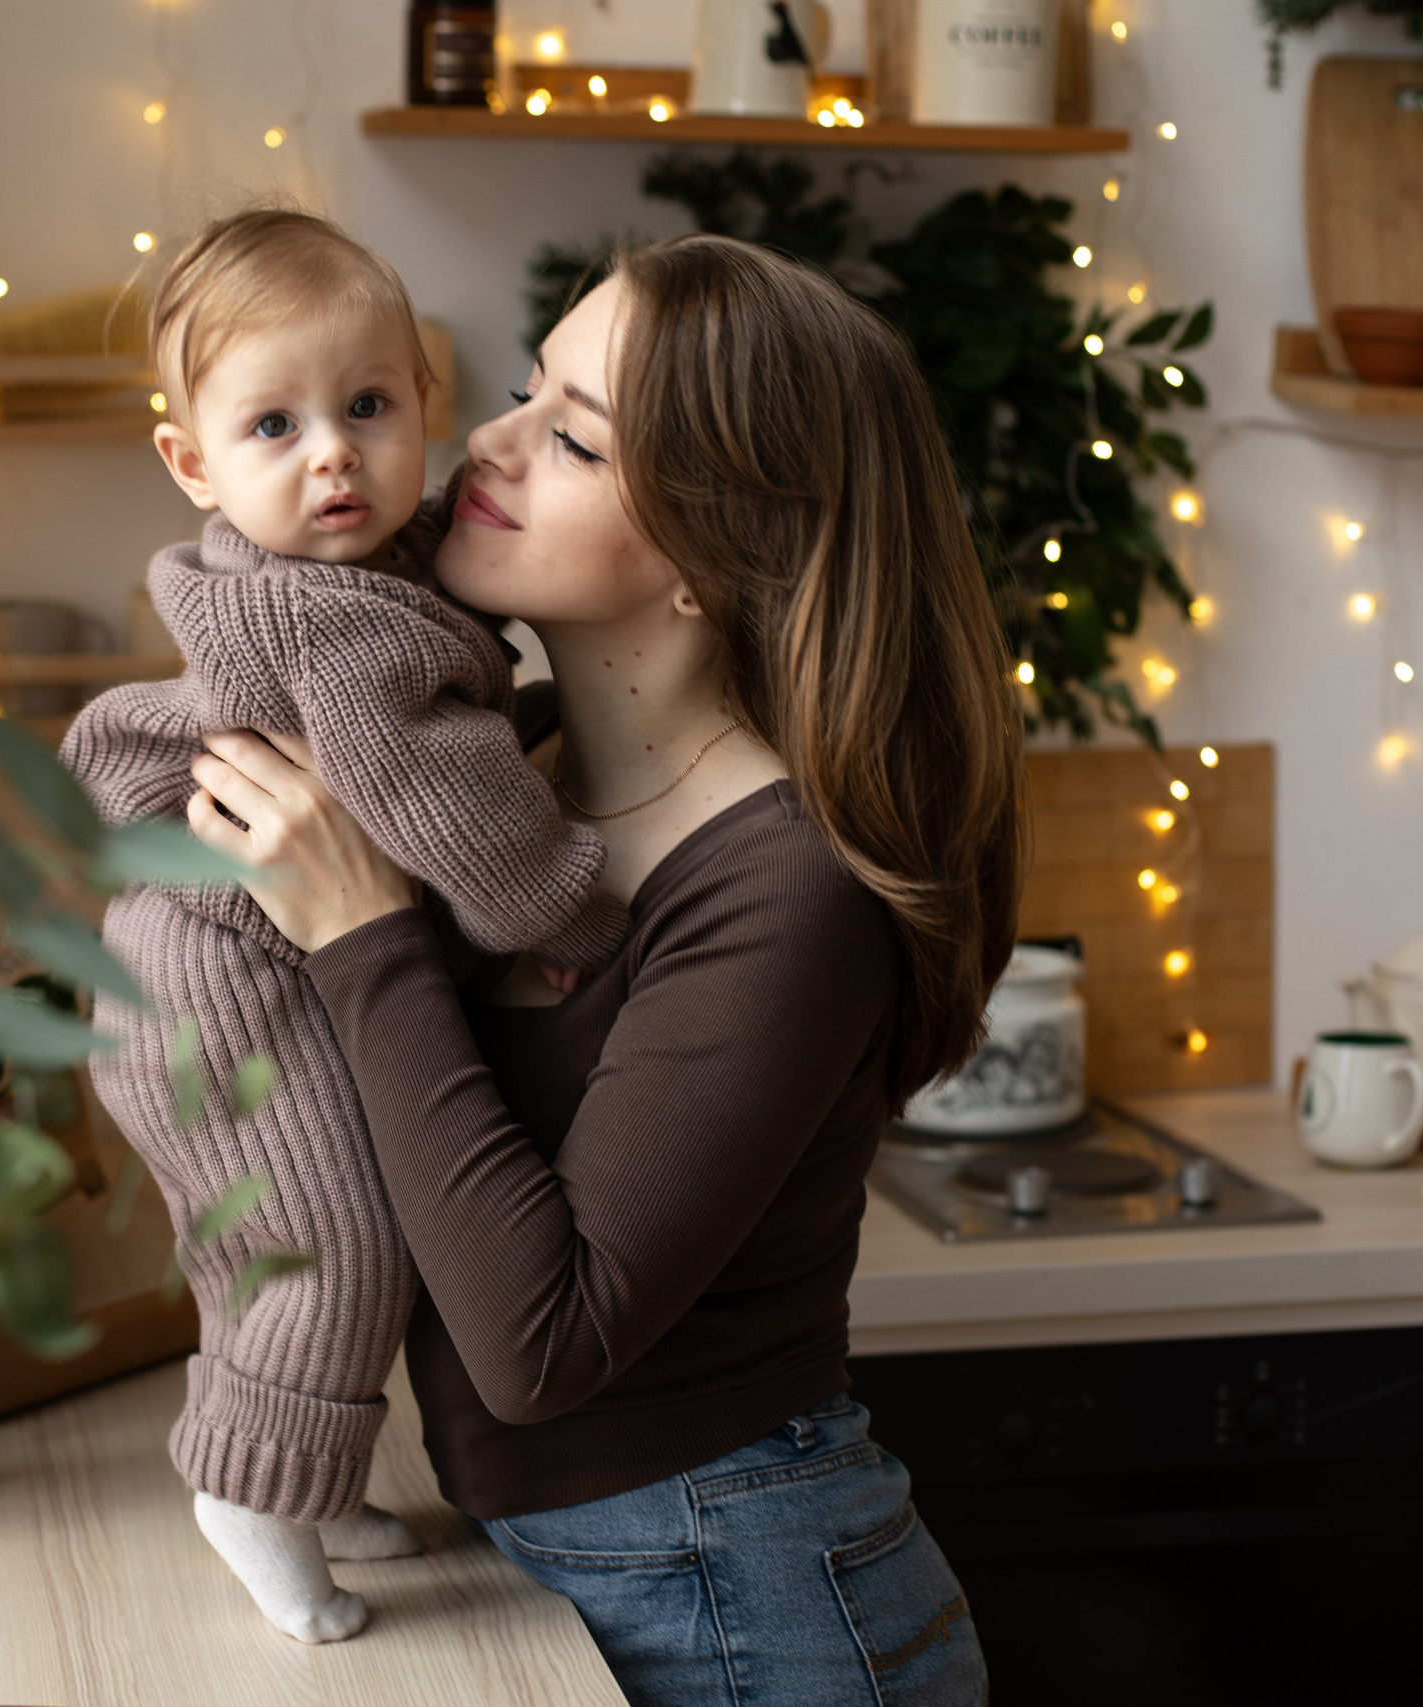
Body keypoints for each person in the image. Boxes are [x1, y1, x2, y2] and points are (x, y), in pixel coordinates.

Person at [178, 234, 1024, 1706]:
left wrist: (365, 935)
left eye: (571, 436)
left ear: (718, 558)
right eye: (525, 391)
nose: (486, 443)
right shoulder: (508, 788)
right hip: (569, 1573)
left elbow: (542, 1343)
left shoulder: (788, 889)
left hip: (753, 1602)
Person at [59, 210, 626, 1646]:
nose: (332, 454)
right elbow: (463, 829)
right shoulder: (346, 636)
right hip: (219, 975)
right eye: (274, 425)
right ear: (192, 463)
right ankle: (250, 1494)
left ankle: (304, 1479)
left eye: (367, 407)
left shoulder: (357, 577)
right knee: (336, 1241)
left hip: (202, 958)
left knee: (285, 1235)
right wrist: (579, 910)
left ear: (423, 406)